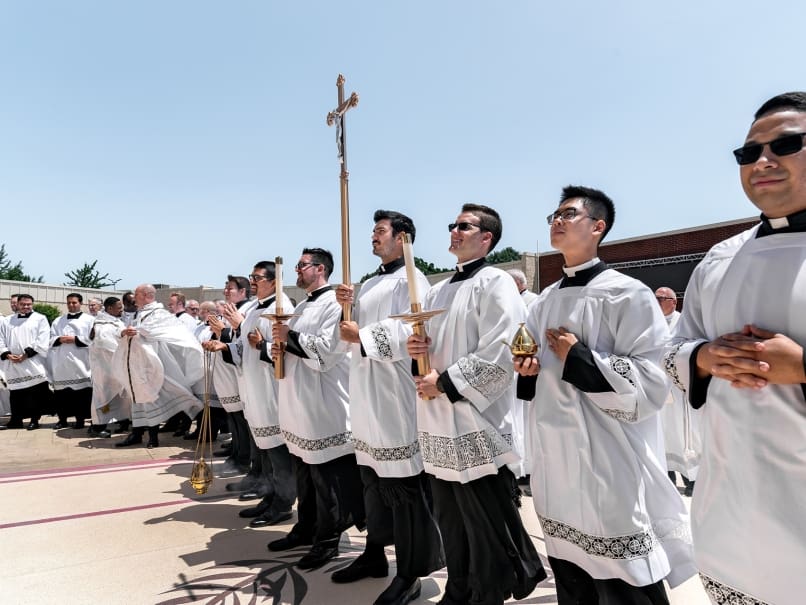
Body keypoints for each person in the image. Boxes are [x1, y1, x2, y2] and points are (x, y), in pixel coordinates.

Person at [515, 187, 694, 605]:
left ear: (598, 227)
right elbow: (533, 375)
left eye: (568, 214)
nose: (556, 221)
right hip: (554, 455)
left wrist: (579, 356)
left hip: (608, 455)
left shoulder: (628, 294)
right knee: (571, 569)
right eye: (554, 215)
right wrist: (529, 369)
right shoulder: (543, 302)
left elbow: (652, 382)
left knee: (623, 572)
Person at [663, 91, 806, 605]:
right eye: (749, 153)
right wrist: (702, 357)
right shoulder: (720, 259)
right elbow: (670, 351)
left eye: (786, 144)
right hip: (732, 502)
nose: (762, 162)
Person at [407, 204, 545, 605]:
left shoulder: (496, 282)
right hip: (437, 422)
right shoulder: (437, 289)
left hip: (473, 422)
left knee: (484, 523)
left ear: (486, 238)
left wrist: (446, 382)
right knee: (451, 521)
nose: (453, 231)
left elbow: (503, 348)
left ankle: (488, 592)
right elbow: (424, 346)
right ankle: (458, 588)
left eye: (463, 226)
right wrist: (415, 348)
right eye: (452, 225)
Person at [334, 210, 444, 605]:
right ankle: (374, 554)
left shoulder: (413, 280)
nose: (373, 238)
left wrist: (360, 333)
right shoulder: (368, 284)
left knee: (403, 487)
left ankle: (411, 572)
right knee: (373, 483)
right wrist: (346, 306)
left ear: (403, 238)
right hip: (365, 392)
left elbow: (412, 332)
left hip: (394, 396)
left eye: (380, 231)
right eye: (373, 232)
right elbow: (347, 334)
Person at [269, 248, 365, 571]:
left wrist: (290, 336)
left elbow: (326, 353)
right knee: (305, 476)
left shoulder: (336, 306)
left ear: (320, 269)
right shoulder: (298, 307)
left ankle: (327, 541)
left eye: (302, 265)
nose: (297, 270)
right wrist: (277, 345)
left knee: (327, 482)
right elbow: (290, 347)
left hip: (324, 404)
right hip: (299, 402)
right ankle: (305, 528)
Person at [207, 261, 297, 527]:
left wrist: (262, 346)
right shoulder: (256, 310)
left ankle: (282, 504)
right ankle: (268, 497)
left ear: (274, 281)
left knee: (278, 455)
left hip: (271, 392)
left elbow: (285, 352)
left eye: (257, 277)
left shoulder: (280, 309)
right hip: (254, 390)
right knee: (266, 452)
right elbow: (243, 348)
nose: (253, 281)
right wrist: (224, 347)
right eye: (252, 276)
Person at [112, 284, 203, 448]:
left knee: (150, 397)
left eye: (137, 293)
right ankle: (137, 433)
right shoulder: (140, 313)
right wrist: (126, 332)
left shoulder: (159, 313)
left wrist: (139, 331)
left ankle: (153, 438)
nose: (133, 296)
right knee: (138, 399)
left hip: (151, 364)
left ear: (147, 295)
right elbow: (134, 331)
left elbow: (163, 332)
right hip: (136, 364)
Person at [654, 287, 699, 496]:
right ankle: (669, 478)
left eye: (661, 298)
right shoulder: (650, 322)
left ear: (673, 302)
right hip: (658, 388)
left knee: (683, 435)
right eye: (655, 298)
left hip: (679, 389)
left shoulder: (682, 322)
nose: (656, 301)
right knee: (662, 434)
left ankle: (691, 480)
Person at [0, 294, 51, 429]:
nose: (26, 307)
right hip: (13, 362)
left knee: (34, 393)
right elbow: (0, 338)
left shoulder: (40, 318)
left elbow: (43, 339)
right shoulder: (7, 320)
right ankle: (15, 420)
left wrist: (26, 355)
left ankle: (34, 420)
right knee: (16, 393)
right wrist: (7, 354)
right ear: (17, 304)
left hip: (32, 361)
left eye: (29, 304)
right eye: (23, 304)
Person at [49, 293, 95, 429]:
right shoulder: (58, 320)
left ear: (80, 303)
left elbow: (93, 338)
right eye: (69, 303)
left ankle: (80, 420)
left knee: (80, 394)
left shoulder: (90, 320)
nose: (71, 305)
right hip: (61, 361)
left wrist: (75, 339)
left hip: (81, 360)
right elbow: (50, 338)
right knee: (61, 393)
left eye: (74, 302)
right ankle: (62, 419)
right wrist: (59, 339)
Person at [88, 296, 131, 437]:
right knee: (103, 395)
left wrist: (123, 334)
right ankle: (98, 426)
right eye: (119, 308)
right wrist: (122, 336)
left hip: (115, 367)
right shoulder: (101, 323)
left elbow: (117, 335)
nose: (122, 310)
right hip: (104, 368)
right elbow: (105, 341)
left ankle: (123, 421)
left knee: (121, 395)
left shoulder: (115, 321)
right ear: (110, 309)